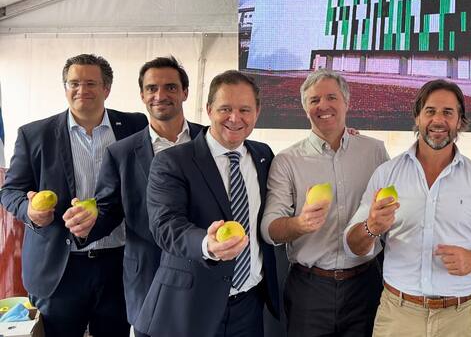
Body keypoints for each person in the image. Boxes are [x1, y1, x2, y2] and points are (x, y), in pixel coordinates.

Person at [345, 79, 471, 337]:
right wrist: (370, 227)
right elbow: (354, 245)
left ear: (460, 121)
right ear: (417, 118)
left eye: (448, 112)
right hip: (397, 315)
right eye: (430, 111)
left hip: (459, 318)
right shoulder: (386, 174)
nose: (438, 120)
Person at [0, 54, 147, 337]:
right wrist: (28, 211)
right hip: (59, 267)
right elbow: (10, 191)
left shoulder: (134, 126)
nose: (82, 90)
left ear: (107, 88)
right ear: (65, 87)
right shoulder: (35, 134)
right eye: (74, 83)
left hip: (119, 263)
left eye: (91, 83)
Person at [138, 70, 280, 337]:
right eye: (225, 108)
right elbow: (165, 225)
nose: (235, 118)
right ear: (209, 109)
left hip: (249, 305)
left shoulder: (263, 155)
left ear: (257, 112)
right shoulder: (173, 161)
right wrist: (207, 244)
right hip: (191, 305)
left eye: (244, 109)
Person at [262, 69, 389, 336]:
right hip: (310, 289)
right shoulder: (287, 161)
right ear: (304, 108)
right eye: (314, 100)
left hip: (364, 284)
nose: (323, 106)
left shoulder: (374, 151)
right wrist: (300, 224)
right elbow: (270, 229)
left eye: (331, 97)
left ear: (347, 102)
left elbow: (389, 210)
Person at [82, 56, 202, 337]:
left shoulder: (209, 141)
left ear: (185, 92)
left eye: (171, 87)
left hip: (204, 269)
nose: (160, 95)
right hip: (148, 273)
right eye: (152, 88)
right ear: (142, 95)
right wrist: (86, 223)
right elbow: (108, 210)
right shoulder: (121, 153)